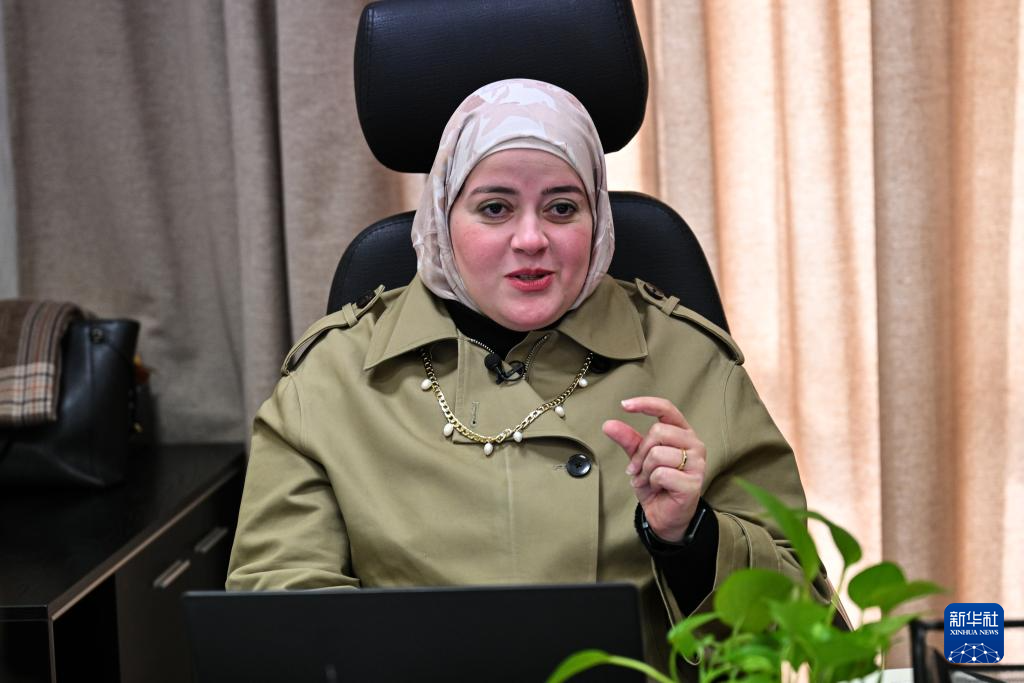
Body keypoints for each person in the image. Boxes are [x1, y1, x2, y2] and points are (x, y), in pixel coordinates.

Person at [226, 78, 814, 668]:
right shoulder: (332, 378)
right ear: (443, 217)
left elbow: (801, 624)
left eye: (562, 208)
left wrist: (692, 537)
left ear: (597, 219)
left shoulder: (691, 361)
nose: (531, 239)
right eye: (495, 208)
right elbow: (279, 614)